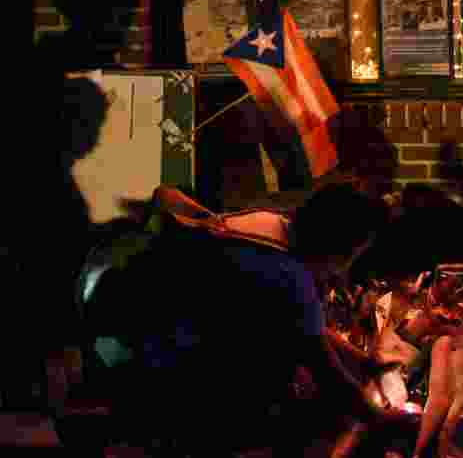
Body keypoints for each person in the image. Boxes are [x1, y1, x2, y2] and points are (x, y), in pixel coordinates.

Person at [91, 182, 413, 455]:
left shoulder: (271, 226)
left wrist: (366, 363)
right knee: (292, 404)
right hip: (157, 371)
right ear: (339, 250)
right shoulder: (291, 278)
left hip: (128, 339)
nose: (346, 269)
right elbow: (328, 374)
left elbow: (303, 325)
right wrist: (379, 419)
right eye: (353, 257)